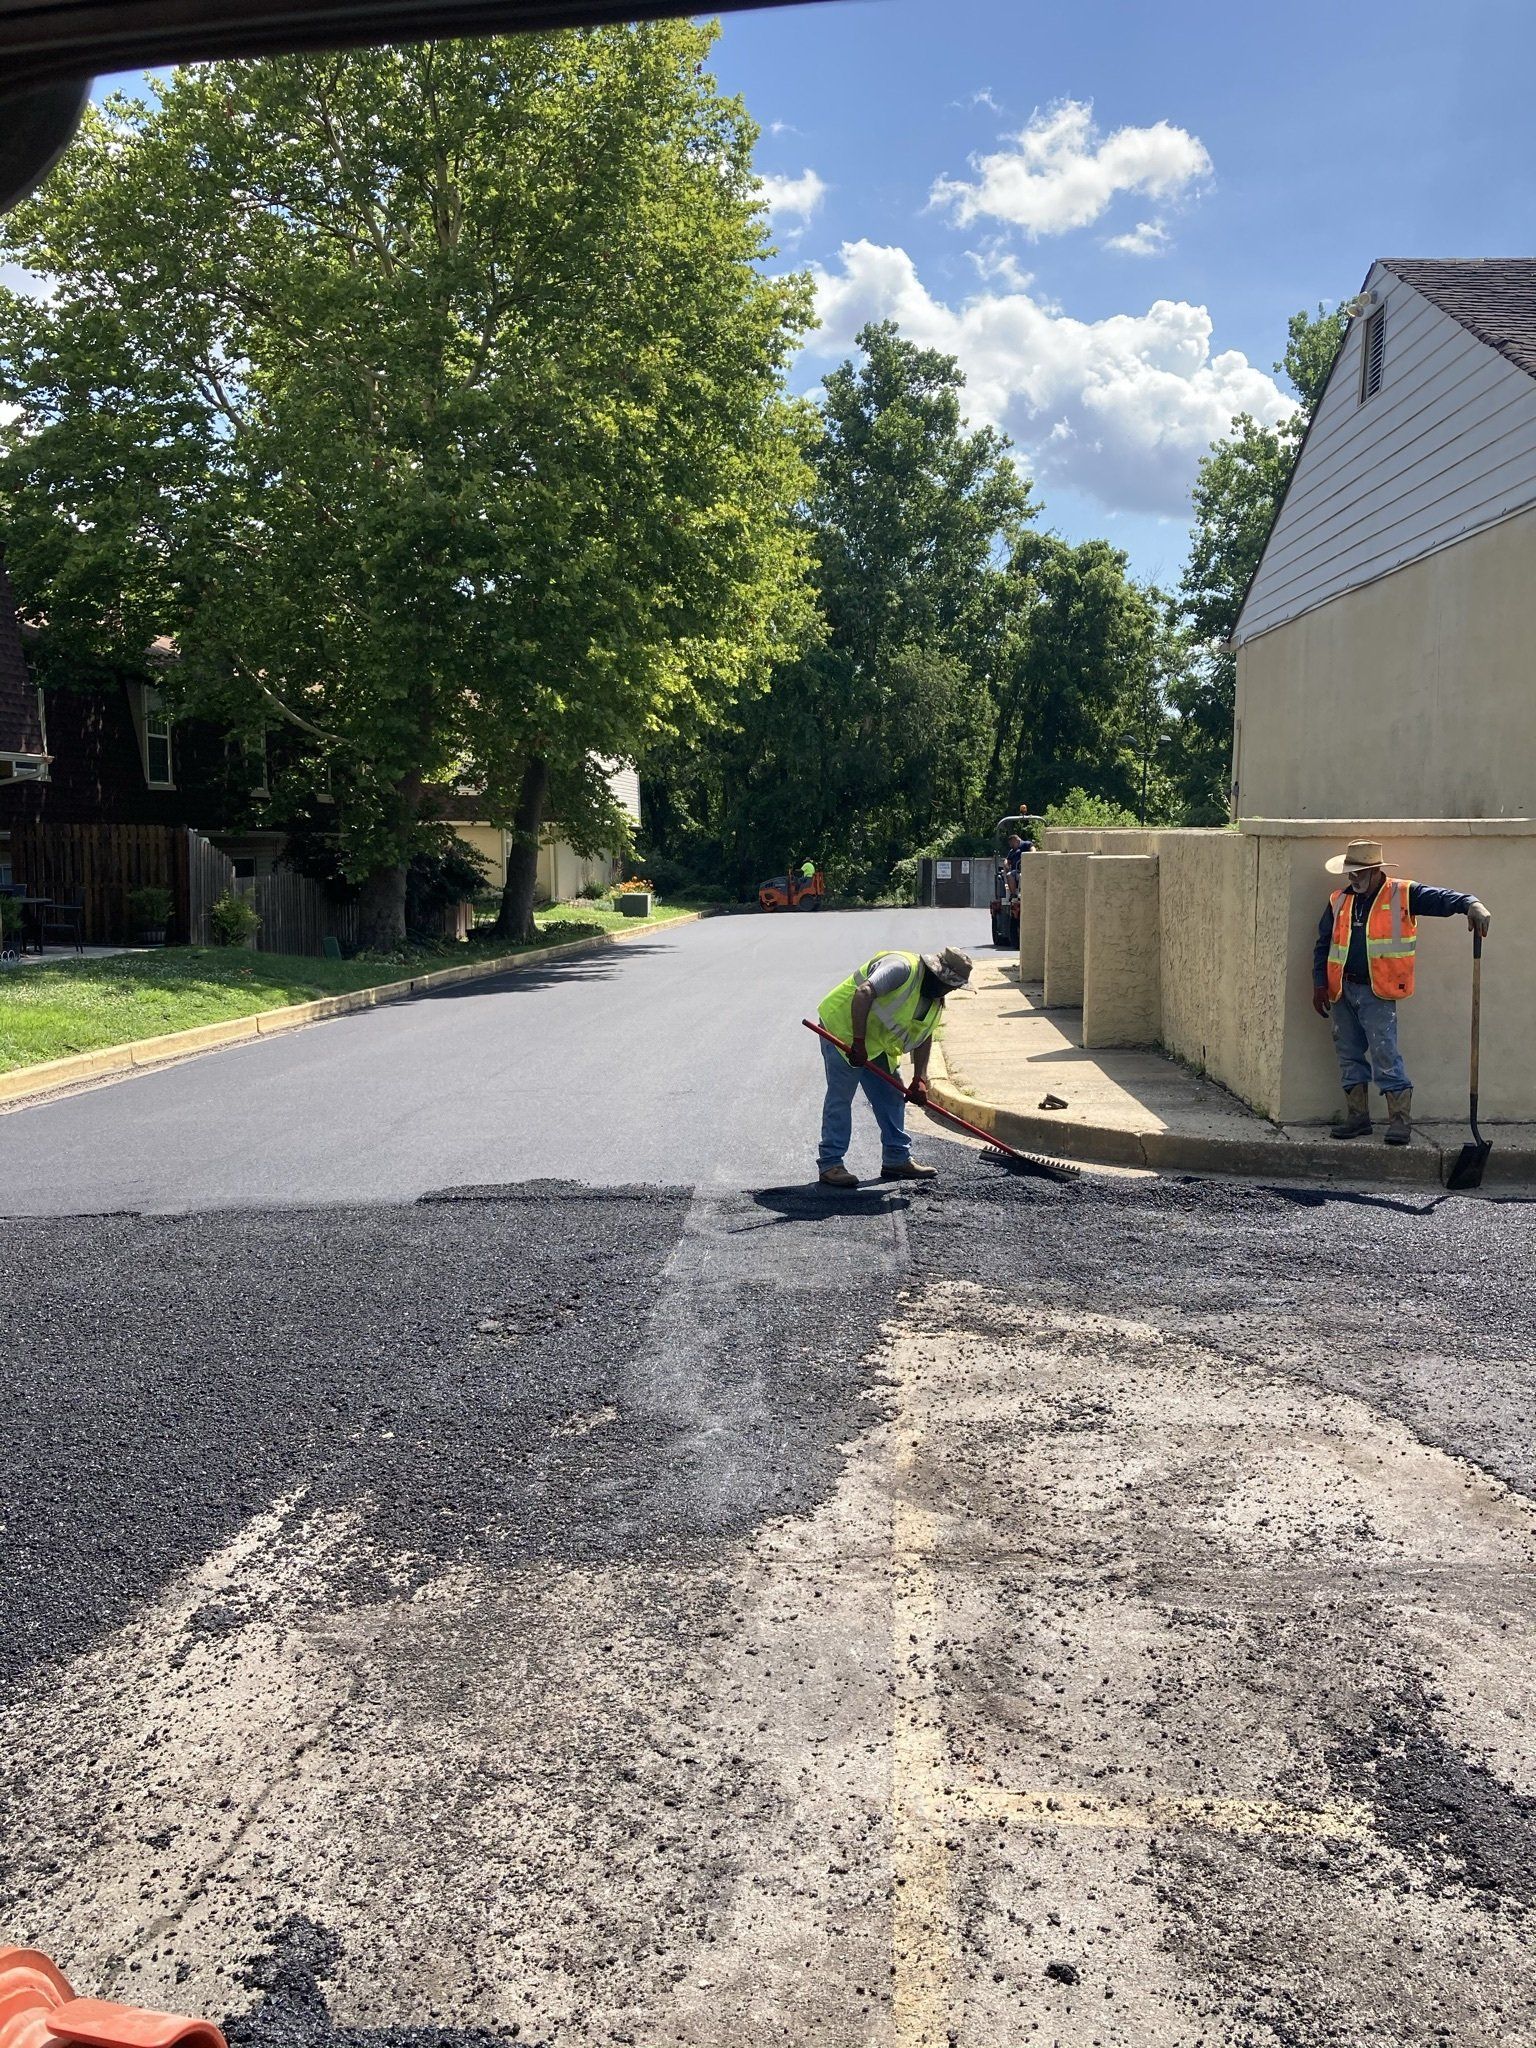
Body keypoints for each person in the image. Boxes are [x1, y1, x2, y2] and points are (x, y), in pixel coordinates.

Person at [1312, 838, 1491, 1145]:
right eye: (1349, 873)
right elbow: (1323, 943)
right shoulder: (1339, 900)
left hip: (1377, 991)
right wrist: (1319, 984)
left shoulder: (1403, 893)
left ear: (1375, 871)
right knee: (1348, 1053)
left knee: (1385, 1053)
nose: (1352, 878)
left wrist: (1470, 904)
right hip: (1342, 989)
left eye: (1357, 873)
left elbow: (1442, 898)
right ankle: (1358, 1118)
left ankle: (1399, 1122)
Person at [815, 946, 973, 1186]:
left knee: (892, 1096)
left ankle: (896, 1159)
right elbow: (863, 991)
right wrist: (858, 1042)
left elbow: (925, 1034)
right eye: (949, 985)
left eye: (955, 987)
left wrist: (920, 1077)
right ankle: (831, 1163)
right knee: (841, 1096)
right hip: (844, 1031)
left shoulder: (934, 999)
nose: (950, 991)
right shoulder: (901, 967)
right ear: (936, 974)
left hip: (877, 1043)